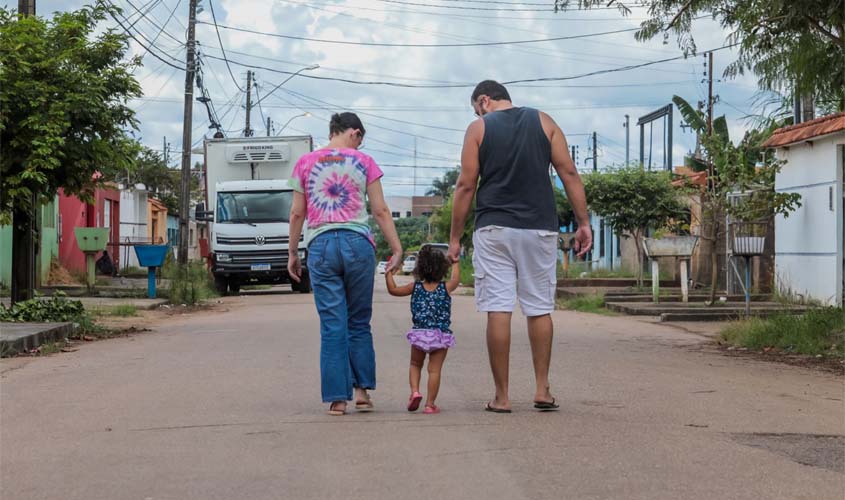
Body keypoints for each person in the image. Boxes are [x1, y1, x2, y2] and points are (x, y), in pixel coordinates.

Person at [448, 80, 592, 413]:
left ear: (484, 100)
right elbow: (568, 172)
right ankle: (542, 389)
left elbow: (466, 185)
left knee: (499, 308)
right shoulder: (545, 121)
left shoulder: (478, 129)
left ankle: (502, 396)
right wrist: (583, 222)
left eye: (476, 107)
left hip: (494, 229)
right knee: (539, 307)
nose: (477, 113)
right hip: (538, 228)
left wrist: (455, 238)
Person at [288, 112, 403, 416]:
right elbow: (380, 209)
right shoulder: (364, 162)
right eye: (360, 139)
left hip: (321, 246)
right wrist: (397, 247)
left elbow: (297, 213)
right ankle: (362, 392)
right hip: (357, 245)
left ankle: (338, 400)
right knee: (358, 321)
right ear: (354, 133)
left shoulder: (304, 163)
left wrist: (292, 252)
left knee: (332, 325)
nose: (359, 145)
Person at [386, 245, 460, 414]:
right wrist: (455, 262)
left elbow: (393, 290)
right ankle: (430, 404)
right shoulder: (445, 288)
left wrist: (389, 272)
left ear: (419, 268)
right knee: (434, 370)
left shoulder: (415, 287)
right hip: (440, 336)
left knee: (415, 364)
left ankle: (415, 392)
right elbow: (456, 279)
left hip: (419, 334)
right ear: (443, 269)